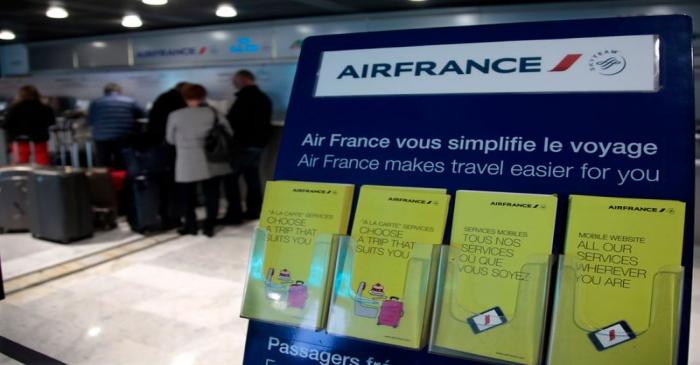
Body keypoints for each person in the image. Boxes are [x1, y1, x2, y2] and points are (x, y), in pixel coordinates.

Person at [166, 84, 232, 237]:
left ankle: (190, 225)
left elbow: (170, 139)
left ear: (184, 97)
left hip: (186, 161)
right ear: (203, 97)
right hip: (211, 161)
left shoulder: (175, 115)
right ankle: (209, 226)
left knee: (187, 196)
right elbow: (229, 132)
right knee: (211, 194)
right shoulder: (214, 113)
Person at [224, 69, 273, 223]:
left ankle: (234, 214)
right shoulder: (264, 98)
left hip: (243, 145)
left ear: (244, 80)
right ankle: (254, 210)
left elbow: (234, 123)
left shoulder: (244, 99)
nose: (233, 84)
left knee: (231, 179)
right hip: (258, 144)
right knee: (252, 178)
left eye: (235, 81)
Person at [146, 82, 189, 229]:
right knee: (174, 183)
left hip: (159, 147)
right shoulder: (177, 103)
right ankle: (174, 215)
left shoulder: (163, 98)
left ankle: (167, 215)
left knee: (166, 183)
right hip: (171, 148)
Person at [87, 83, 145, 169]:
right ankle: (121, 180)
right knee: (123, 161)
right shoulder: (130, 101)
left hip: (102, 137)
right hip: (123, 135)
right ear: (119, 91)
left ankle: (103, 180)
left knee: (103, 162)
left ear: (105, 92)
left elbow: (90, 121)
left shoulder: (96, 102)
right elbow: (143, 115)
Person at [0, 85, 55, 165]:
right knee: (42, 165)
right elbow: (51, 122)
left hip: (19, 142)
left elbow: (5, 125)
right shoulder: (45, 108)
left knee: (21, 166)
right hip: (39, 141)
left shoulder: (13, 109)